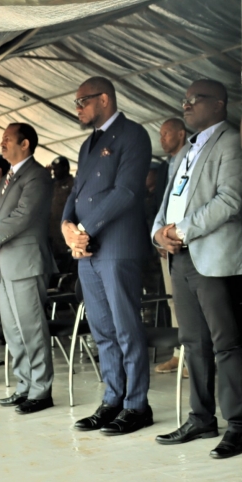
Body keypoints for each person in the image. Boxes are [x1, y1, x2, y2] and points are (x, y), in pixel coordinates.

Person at [152, 79, 242, 458]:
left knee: (226, 343)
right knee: (193, 343)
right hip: (180, 256)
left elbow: (231, 199)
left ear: (220, 103)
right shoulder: (186, 149)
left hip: (214, 257)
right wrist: (159, 232)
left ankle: (239, 424)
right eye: (185, 100)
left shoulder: (231, 142)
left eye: (196, 100)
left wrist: (182, 229)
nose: (187, 106)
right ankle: (201, 417)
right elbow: (167, 200)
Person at [62, 77, 153, 435]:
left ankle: (136, 404)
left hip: (116, 246)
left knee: (126, 328)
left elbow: (128, 191)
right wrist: (67, 225)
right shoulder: (88, 145)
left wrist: (85, 230)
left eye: (82, 101)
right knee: (102, 329)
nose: (78, 108)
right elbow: (77, 190)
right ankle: (113, 399)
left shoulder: (133, 135)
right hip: (87, 250)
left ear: (104, 99)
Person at [0, 124, 57, 414]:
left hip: (25, 263)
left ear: (25, 143)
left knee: (31, 328)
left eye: (7, 140)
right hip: (4, 263)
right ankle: (25, 385)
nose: (2, 144)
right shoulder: (9, 176)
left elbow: (24, 214)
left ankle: (41, 390)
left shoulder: (36, 175)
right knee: (13, 330)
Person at [153, 117, 188, 375]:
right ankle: (179, 352)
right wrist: (159, 236)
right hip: (167, 242)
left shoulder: (192, 156)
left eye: (166, 134)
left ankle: (194, 355)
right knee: (173, 301)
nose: (162, 139)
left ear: (181, 134)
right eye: (161, 135)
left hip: (188, 242)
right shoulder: (168, 164)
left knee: (193, 302)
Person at [49, 156, 75, 274]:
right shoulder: (52, 184)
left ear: (66, 168)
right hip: (53, 234)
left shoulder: (73, 184)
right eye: (53, 169)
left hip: (66, 233)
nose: (55, 172)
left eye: (57, 169)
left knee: (68, 266)